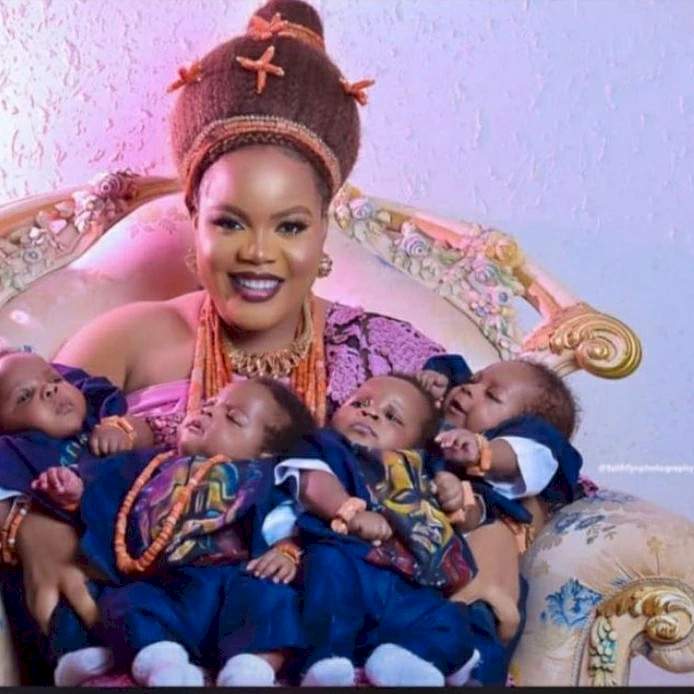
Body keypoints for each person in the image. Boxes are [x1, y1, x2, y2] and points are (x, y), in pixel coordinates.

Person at [0, 0, 526, 685]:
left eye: (289, 226)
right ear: (192, 223)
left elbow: (493, 467)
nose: (257, 254)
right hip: (161, 636)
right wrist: (28, 529)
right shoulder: (126, 337)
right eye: (229, 222)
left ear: (324, 231)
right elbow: (27, 439)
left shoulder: (393, 352)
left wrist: (493, 549)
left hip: (346, 633)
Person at [37, 378, 315, 687]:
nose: (209, 412)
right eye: (209, 404)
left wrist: (287, 550)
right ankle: (159, 662)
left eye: (233, 417)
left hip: (228, 588)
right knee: (121, 605)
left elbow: (289, 523)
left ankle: (254, 667)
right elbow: (105, 489)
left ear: (266, 453)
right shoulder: (151, 465)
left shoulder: (260, 478)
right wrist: (75, 492)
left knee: (273, 595)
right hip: (161, 588)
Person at [273, 374, 480, 686]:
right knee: (326, 569)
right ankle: (327, 662)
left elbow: (467, 519)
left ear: (417, 446)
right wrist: (348, 509)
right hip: (348, 563)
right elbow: (311, 482)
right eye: (360, 403)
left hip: (407, 585)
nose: (370, 413)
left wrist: (452, 491)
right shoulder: (324, 444)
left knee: (453, 620)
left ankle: (405, 659)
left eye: (391, 416)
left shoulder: (420, 469)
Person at [418, 355, 583, 647]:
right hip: (416, 549)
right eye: (472, 382)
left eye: (492, 396)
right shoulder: (440, 424)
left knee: (481, 617)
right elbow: (453, 367)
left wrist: (484, 452)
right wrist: (434, 378)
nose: (469, 389)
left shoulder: (529, 446)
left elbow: (529, 452)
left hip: (478, 558)